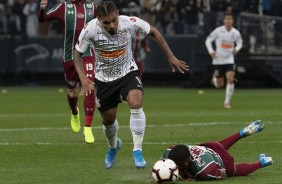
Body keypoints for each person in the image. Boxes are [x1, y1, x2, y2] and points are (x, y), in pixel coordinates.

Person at [73, 1, 189, 169]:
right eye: (106, 22)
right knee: (108, 120)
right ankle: (113, 146)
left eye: (114, 20)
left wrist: (170, 56)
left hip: (128, 72)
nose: (112, 25)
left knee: (136, 103)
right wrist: (83, 78)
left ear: (118, 14)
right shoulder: (90, 29)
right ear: (98, 19)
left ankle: (137, 150)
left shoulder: (129, 22)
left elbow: (154, 32)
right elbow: (77, 53)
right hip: (104, 79)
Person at [38, 0, 97, 143]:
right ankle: (74, 111)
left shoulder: (92, 6)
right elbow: (43, 19)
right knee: (72, 92)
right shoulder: (63, 7)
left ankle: (88, 127)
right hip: (69, 56)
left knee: (89, 86)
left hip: (87, 53)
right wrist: (42, 10)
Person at [163, 120, 273, 181]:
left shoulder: (204, 171)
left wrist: (194, 178)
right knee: (219, 145)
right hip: (210, 147)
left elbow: (223, 174)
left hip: (220, 160)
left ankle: (262, 162)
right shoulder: (170, 151)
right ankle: (241, 133)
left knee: (234, 171)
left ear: (186, 163)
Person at [205, 11, 243, 109]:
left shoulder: (236, 33)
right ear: (224, 21)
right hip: (218, 60)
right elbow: (208, 40)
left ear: (233, 21)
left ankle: (226, 102)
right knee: (219, 85)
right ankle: (214, 79)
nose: (228, 21)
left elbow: (240, 42)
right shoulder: (218, 31)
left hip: (229, 59)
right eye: (226, 19)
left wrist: (237, 49)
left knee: (230, 79)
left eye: (230, 19)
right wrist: (211, 51)